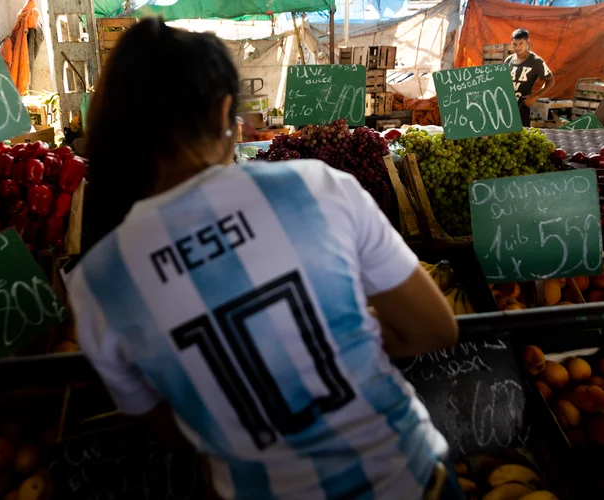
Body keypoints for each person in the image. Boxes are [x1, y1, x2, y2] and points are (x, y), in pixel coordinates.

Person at [68, 18, 461, 500]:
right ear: (225, 111)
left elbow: (173, 431)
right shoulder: (316, 187)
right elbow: (434, 329)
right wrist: (333, 330)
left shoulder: (97, 283)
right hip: (408, 479)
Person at [505, 28, 555, 127]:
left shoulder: (536, 61)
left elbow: (551, 81)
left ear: (527, 42)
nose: (517, 47)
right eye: (515, 44)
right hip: (505, 107)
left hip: (522, 108)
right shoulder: (508, 60)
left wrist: (535, 96)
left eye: (521, 43)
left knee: (520, 138)